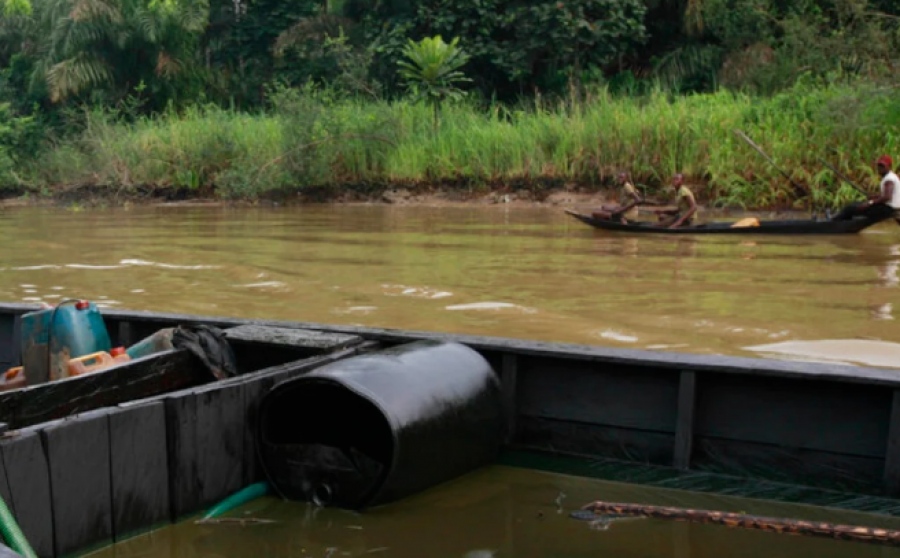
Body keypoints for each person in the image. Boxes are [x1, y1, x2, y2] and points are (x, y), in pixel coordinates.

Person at [831, 155, 900, 222]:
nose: (880, 168)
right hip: (889, 207)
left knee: (850, 208)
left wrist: (870, 203)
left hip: (888, 209)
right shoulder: (891, 176)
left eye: (882, 166)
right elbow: (889, 195)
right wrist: (875, 196)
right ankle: (842, 220)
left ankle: (833, 221)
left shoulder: (889, 179)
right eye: (879, 166)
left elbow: (887, 197)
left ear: (889, 167)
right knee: (855, 204)